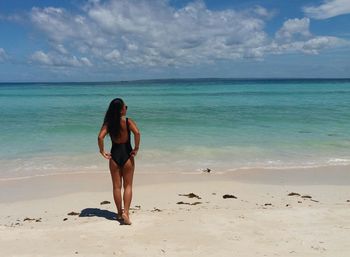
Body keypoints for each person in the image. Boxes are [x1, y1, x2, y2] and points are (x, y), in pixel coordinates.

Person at [98, 98, 140, 225]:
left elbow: (100, 137)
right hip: (127, 155)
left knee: (117, 186)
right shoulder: (127, 122)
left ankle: (118, 213)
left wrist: (102, 151)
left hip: (114, 156)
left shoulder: (109, 124)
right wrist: (136, 148)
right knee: (128, 185)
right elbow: (137, 133)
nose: (126, 108)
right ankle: (126, 212)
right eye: (125, 107)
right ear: (121, 110)